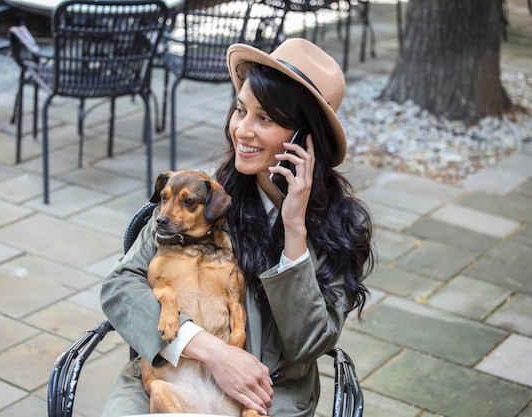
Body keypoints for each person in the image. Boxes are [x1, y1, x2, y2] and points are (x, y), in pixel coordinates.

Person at [100, 37, 375, 417]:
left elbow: (307, 345)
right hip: (171, 378)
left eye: (264, 118)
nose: (242, 131)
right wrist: (211, 351)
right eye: (240, 110)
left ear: (306, 138)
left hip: (266, 395)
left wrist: (294, 229)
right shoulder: (206, 195)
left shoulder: (340, 227)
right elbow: (119, 286)